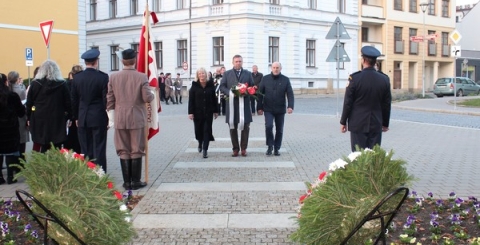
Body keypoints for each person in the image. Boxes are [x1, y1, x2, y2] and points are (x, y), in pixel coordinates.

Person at [106, 49, 155, 190]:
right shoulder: (141, 77)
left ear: (122, 61)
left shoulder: (113, 77)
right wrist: (152, 94)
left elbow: (109, 99)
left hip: (120, 117)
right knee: (136, 149)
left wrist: (111, 118)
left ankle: (127, 182)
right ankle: (136, 182)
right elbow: (147, 97)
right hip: (136, 117)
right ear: (135, 61)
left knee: (123, 149)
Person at [340, 46, 392, 152]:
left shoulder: (355, 78)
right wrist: (385, 123)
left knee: (358, 156)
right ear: (375, 62)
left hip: (358, 123)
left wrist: (343, 121)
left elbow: (348, 102)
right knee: (373, 157)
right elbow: (386, 104)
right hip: (376, 124)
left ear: (363, 60)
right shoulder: (384, 79)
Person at [71, 49, 109, 172]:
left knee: (85, 148)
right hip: (98, 117)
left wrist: (76, 117)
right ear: (96, 61)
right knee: (99, 147)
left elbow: (74, 100)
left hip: (83, 117)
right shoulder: (103, 77)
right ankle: (100, 172)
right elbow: (105, 100)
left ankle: (87, 173)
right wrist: (107, 117)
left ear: (85, 62)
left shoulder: (77, 78)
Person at [26, 60, 72, 153]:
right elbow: (68, 103)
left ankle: (41, 164)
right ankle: (55, 165)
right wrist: (69, 117)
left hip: (39, 118)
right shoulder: (62, 84)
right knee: (56, 145)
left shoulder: (35, 84)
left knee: (41, 142)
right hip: (57, 117)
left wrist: (29, 117)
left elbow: (29, 103)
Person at [219, 55, 254, 157]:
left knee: (245, 127)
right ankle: (235, 149)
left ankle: (243, 148)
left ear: (242, 62)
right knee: (232, 126)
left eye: (240, 61)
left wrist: (246, 90)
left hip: (245, 105)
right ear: (233, 62)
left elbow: (252, 86)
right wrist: (230, 92)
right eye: (236, 61)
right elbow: (222, 86)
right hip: (232, 104)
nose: (238, 63)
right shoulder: (227, 74)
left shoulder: (248, 74)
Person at [257, 62, 294, 156]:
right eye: (274, 67)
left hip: (280, 109)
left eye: (277, 67)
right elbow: (260, 93)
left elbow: (290, 94)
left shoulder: (285, 79)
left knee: (279, 129)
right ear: (271, 68)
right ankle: (270, 146)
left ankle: (277, 148)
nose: (276, 69)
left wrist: (290, 106)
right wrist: (259, 107)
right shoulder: (265, 79)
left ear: (280, 68)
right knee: (268, 126)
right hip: (268, 108)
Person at [0, 73, 25, 184]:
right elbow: (21, 112)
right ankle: (10, 177)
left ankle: (0, 177)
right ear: (6, 82)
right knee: (10, 152)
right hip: (11, 129)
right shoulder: (13, 95)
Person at [188, 68, 219, 158]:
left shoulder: (210, 85)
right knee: (198, 130)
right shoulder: (194, 86)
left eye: (203, 73)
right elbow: (191, 100)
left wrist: (216, 111)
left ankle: (205, 149)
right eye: (200, 73)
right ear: (197, 75)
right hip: (197, 113)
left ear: (206, 75)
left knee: (207, 130)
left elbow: (214, 99)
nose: (201, 75)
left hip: (208, 112)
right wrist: (190, 112)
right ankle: (200, 142)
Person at [7, 71, 29, 165]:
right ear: (17, 79)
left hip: (8, 118)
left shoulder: (6, 89)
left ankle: (13, 163)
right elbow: (23, 102)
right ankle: (21, 162)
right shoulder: (20, 89)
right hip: (19, 117)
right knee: (21, 141)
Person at [64, 65, 83, 153]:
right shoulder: (82, 83)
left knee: (69, 140)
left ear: (71, 73)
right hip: (81, 114)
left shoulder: (67, 84)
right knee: (79, 140)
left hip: (69, 116)